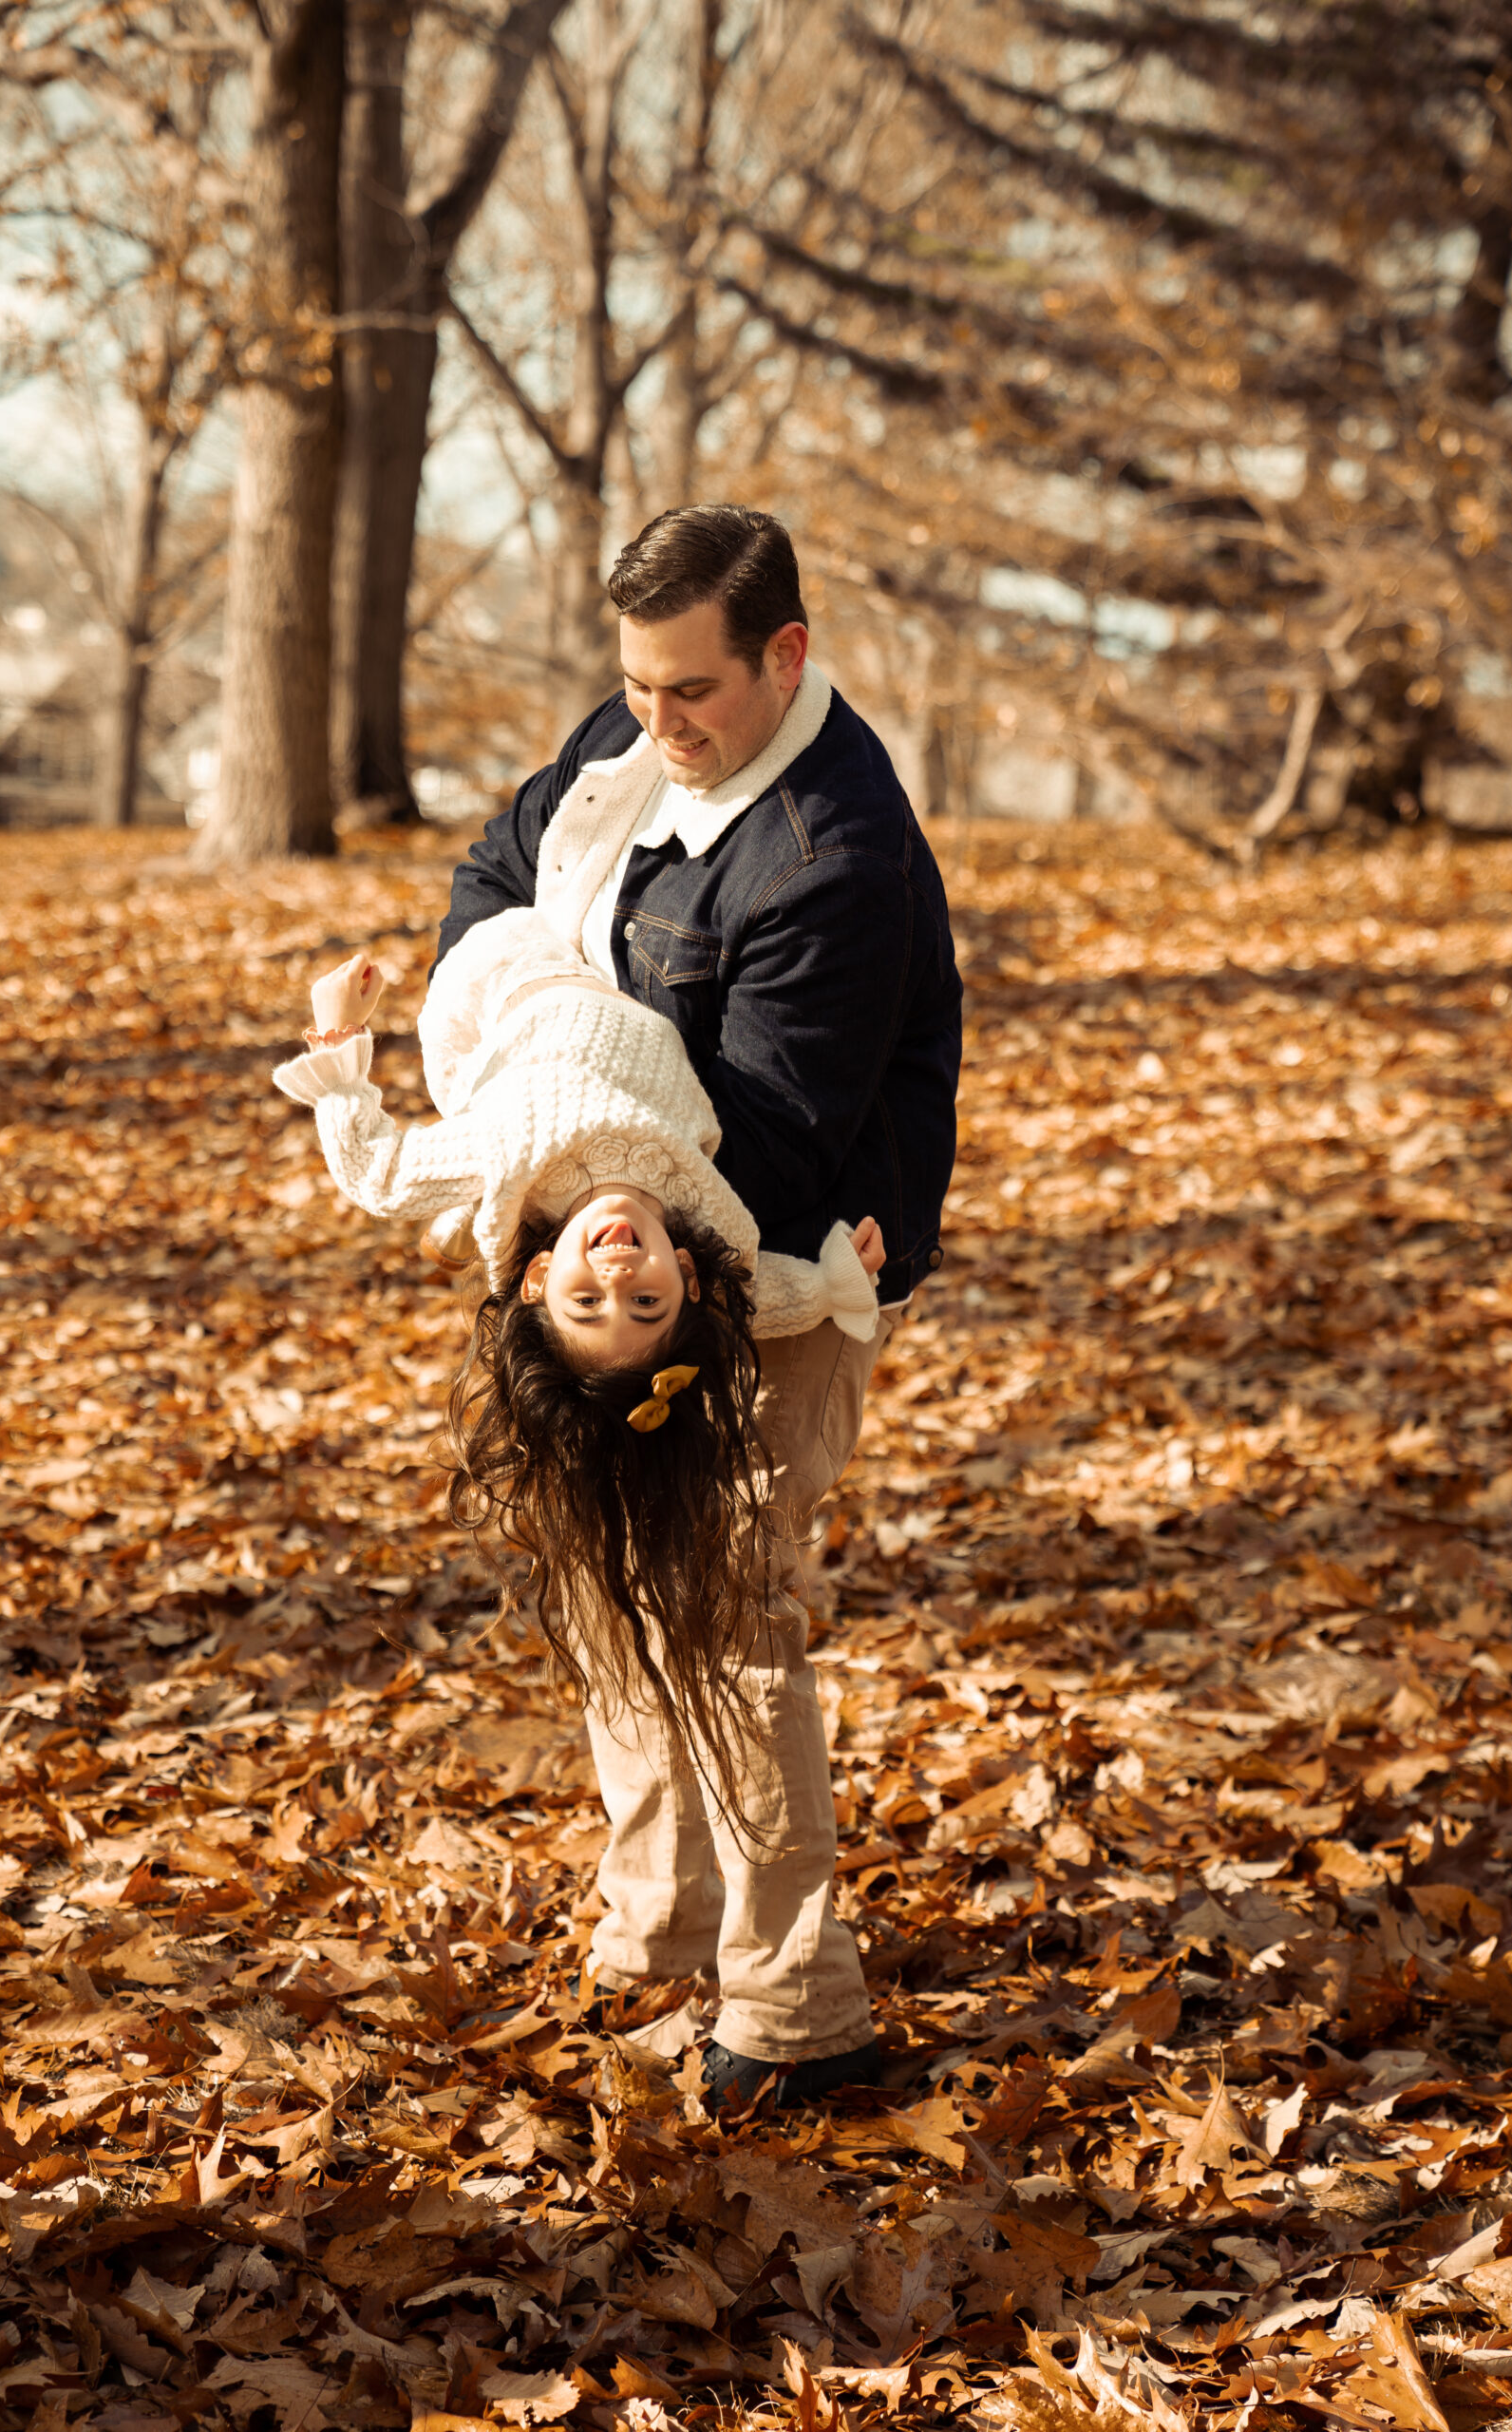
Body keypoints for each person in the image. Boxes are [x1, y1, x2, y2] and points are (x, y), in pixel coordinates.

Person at [427, 504, 962, 2111]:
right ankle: (660, 1927)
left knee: (727, 1628)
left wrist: (571, 1137)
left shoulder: (833, 860)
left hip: (763, 1280)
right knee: (608, 1594)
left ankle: (802, 2016)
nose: (654, 724)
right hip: (599, 1241)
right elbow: (495, 870)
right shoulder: (632, 730)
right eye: (638, 687)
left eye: (691, 696)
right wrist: (506, 1016)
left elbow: (767, 1147)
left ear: (784, 656)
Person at [272, 917, 888, 1837]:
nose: (617, 1282)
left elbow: (379, 1172)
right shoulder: (714, 1225)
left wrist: (338, 1037)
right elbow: (761, 1300)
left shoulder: (515, 1151)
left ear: (535, 1281)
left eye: (585, 1304)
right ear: (684, 1278)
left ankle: (467, 1223)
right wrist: (840, 1282)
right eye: (646, 1307)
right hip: (617, 977)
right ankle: (465, 1225)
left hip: (493, 1006)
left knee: (457, 1139)